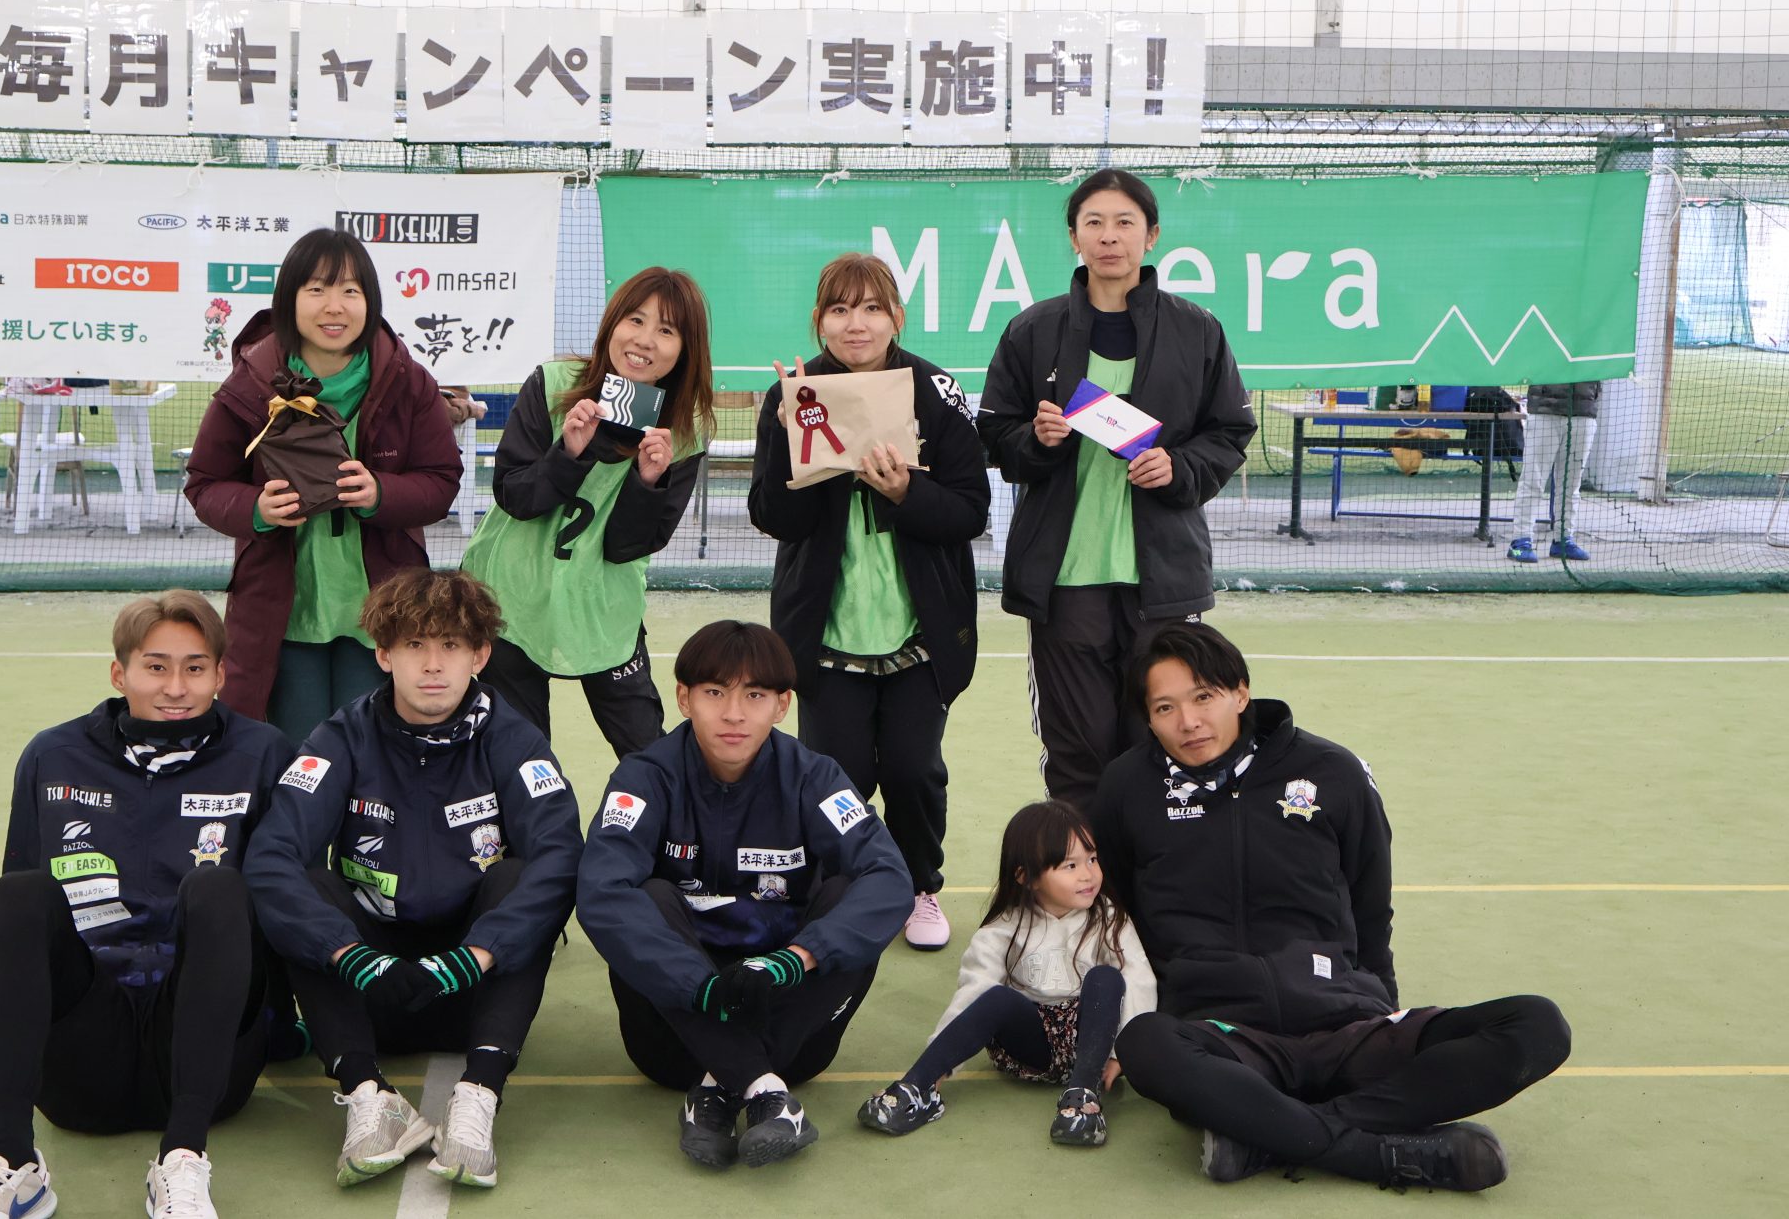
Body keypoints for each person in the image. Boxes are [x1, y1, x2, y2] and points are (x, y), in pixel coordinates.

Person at [1089, 623, 1573, 1192]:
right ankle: (1376, 1154)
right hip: (1223, 1040)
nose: (1188, 722)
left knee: (1537, 1024)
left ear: (1240, 693)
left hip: (1346, 1024)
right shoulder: (1127, 787)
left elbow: (1371, 901)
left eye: (1203, 697)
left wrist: (1380, 1005)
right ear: (1148, 719)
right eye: (1165, 707)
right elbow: (1115, 912)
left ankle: (1270, 1135)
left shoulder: (1332, 771)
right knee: (1145, 1041)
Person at [0, 592, 295, 1219]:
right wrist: (5, 1031)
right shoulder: (52, 755)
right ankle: (13, 1162)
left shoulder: (264, 753)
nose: (176, 687)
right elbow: (21, 920)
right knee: (20, 891)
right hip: (83, 1056)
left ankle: (182, 1161)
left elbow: (283, 898)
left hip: (206, 1052)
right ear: (119, 673)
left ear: (221, 674)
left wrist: (288, 1022)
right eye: (156, 667)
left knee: (218, 886)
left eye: (195, 668)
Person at [243, 567, 581, 1192]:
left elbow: (561, 855)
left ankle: (479, 1095)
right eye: (414, 645)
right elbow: (271, 858)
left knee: (520, 877)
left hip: (472, 983)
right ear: (383, 654)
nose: (432, 665)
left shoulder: (514, 741)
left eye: (450, 645)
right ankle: (368, 1095)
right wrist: (350, 955)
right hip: (369, 985)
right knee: (307, 887)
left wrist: (477, 955)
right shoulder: (340, 738)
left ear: (479, 655)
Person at [576, 621, 914, 1170]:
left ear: (782, 705)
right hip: (673, 1038)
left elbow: (890, 877)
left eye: (754, 696)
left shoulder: (815, 777)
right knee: (650, 896)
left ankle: (717, 1091)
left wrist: (795, 959)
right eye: (715, 693)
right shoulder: (644, 778)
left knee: (852, 894)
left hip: (791, 1030)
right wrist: (702, 989)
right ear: (684, 698)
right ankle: (764, 1091)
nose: (733, 714)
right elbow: (600, 892)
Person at [977, 168, 1255, 806]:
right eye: (1094, 223)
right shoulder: (1032, 330)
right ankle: (1085, 869)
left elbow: (1230, 431)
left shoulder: (1196, 329)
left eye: (1125, 222)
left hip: (1163, 583)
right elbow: (994, 433)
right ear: (1073, 237)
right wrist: (1036, 439)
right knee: (1080, 753)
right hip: (1065, 580)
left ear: (1151, 236)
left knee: (1170, 746)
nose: (1109, 236)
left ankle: (1162, 866)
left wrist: (1178, 467)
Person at [749, 252, 989, 952]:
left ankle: (919, 886)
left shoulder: (935, 390)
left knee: (914, 771)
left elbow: (970, 509)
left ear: (897, 318)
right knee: (838, 776)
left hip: (920, 633)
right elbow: (775, 516)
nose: (856, 324)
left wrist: (906, 492)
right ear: (818, 320)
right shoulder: (794, 395)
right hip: (827, 633)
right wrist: (791, 439)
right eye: (840, 309)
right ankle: (842, 887)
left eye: (873, 308)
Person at [185, 227, 463, 745]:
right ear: (289, 300)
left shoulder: (408, 380)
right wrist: (257, 508)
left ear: (370, 302)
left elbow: (442, 480)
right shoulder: (250, 383)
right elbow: (204, 484)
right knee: (299, 757)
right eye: (316, 289)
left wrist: (380, 494)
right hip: (283, 616)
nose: (334, 306)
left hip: (382, 614)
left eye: (350, 291)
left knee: (373, 752)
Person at [462, 267, 715, 758]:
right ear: (612, 323)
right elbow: (515, 496)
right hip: (512, 601)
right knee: (519, 758)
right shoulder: (554, 384)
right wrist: (569, 453)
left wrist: (647, 482)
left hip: (604, 610)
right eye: (635, 320)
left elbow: (626, 546)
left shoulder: (683, 435)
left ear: (686, 349)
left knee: (647, 752)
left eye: (666, 330)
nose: (644, 340)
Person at [858, 800, 1155, 1146]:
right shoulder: (1003, 928)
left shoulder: (1108, 917)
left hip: (1089, 1046)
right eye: (1070, 865)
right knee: (996, 997)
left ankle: (1082, 1098)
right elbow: (972, 993)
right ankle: (918, 1087)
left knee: (1106, 977)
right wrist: (940, 1061)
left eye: (1092, 859)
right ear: (1026, 876)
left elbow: (1139, 978)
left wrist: (1122, 1053)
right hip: (1031, 1049)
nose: (1088, 874)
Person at [1508, 381, 1600, 563]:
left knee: (1571, 485)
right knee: (1533, 481)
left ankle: (1563, 539)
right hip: (1544, 413)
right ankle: (1519, 543)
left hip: (1583, 412)